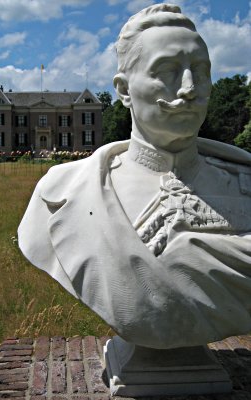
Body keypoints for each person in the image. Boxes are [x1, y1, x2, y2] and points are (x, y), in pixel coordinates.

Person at [18, 3, 251, 349]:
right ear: (124, 91)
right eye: (168, 70)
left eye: (201, 71)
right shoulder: (60, 193)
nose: (190, 87)